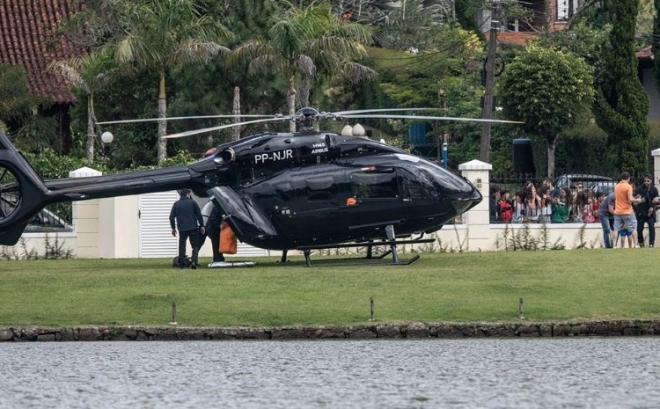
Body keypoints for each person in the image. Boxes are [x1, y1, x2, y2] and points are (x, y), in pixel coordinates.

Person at [169, 189, 205, 269]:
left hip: (182, 229)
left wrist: (173, 228)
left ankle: (182, 263)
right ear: (188, 194)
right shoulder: (193, 203)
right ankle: (194, 262)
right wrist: (202, 225)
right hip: (193, 228)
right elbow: (199, 215)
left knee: (182, 245)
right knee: (195, 245)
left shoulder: (176, 204)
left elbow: (171, 217)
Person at [613, 172, 642, 248]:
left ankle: (614, 245)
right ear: (628, 178)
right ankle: (636, 244)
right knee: (633, 227)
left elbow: (617, 198)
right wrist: (638, 200)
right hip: (627, 211)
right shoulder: (628, 186)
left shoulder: (616, 186)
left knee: (616, 229)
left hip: (617, 211)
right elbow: (630, 199)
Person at [635, 175, 658, 247]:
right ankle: (641, 243)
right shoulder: (639, 188)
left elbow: (656, 200)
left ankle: (651, 244)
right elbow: (636, 200)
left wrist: (652, 207)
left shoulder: (654, 189)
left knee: (651, 227)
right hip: (641, 211)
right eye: (645, 181)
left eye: (648, 181)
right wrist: (640, 199)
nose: (646, 182)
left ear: (651, 181)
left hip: (651, 211)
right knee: (639, 228)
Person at [205, 201, 225, 265]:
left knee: (217, 243)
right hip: (212, 229)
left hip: (214, 228)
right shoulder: (217, 208)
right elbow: (213, 219)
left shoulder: (219, 207)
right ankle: (217, 259)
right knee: (215, 244)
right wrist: (219, 225)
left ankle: (219, 258)